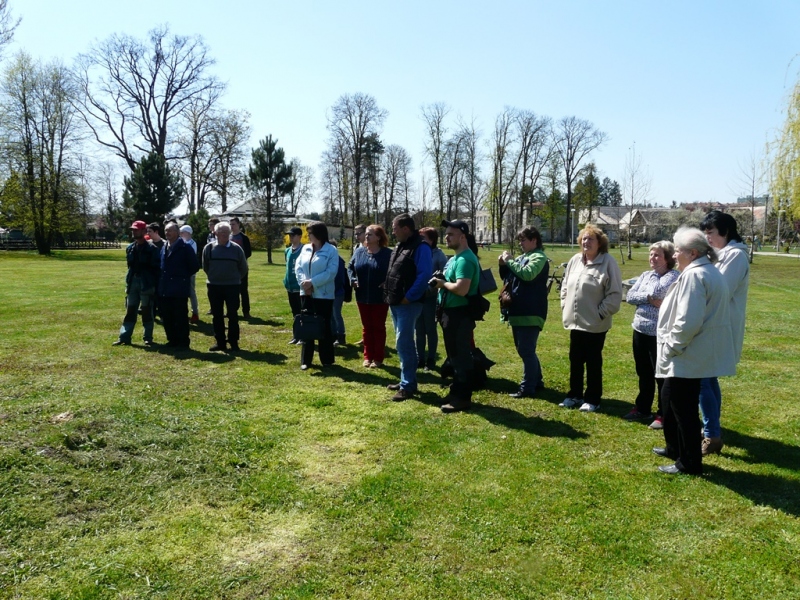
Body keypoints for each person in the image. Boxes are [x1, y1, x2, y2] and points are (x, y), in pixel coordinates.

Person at [653, 227, 736, 475]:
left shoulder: (695, 275)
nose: (675, 254)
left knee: (683, 409)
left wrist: (671, 347)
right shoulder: (706, 271)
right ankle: (676, 449)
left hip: (687, 354)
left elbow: (687, 321)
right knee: (670, 399)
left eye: (678, 250)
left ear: (693, 252)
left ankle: (689, 463)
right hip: (691, 353)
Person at [698, 210, 750, 455]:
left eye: (711, 233)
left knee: (703, 377)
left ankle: (711, 434)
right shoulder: (723, 254)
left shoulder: (735, 256)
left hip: (719, 324)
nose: (707, 238)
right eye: (705, 233)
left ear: (726, 232)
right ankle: (712, 429)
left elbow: (719, 290)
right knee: (708, 377)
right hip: (714, 322)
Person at [559, 224, 622, 412]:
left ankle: (593, 399)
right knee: (575, 360)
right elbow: (565, 286)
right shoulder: (575, 260)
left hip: (595, 324)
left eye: (590, 239)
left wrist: (600, 314)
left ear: (599, 243)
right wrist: (565, 306)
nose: (586, 242)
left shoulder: (608, 262)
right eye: (584, 239)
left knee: (593, 362)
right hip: (575, 322)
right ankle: (574, 395)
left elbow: (615, 294)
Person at [624, 241, 680, 427]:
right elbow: (630, 295)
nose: (652, 258)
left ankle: (663, 413)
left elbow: (659, 291)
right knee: (643, 372)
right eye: (651, 254)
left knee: (661, 376)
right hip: (639, 330)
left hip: (659, 334)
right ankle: (642, 408)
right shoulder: (646, 275)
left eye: (657, 255)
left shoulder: (673, 276)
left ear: (668, 258)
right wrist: (648, 298)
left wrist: (647, 294)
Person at [430, 220, 480, 412]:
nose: (446, 237)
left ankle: (463, 397)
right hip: (449, 313)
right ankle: (456, 391)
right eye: (446, 233)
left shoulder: (466, 259)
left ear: (463, 236)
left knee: (461, 356)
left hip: (460, 314)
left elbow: (461, 289)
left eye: (451, 234)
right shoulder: (455, 258)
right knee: (454, 355)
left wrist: (442, 284)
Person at [383, 214, 433, 401]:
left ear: (405, 228)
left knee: (404, 342)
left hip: (408, 303)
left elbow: (424, 275)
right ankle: (406, 379)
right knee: (402, 343)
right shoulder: (401, 245)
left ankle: (408, 385)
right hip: (396, 302)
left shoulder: (421, 247)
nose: (393, 231)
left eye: (395, 228)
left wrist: (408, 297)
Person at [498, 226, 550, 399]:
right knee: (523, 350)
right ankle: (537, 380)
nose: (520, 243)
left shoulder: (539, 257)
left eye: (523, 240)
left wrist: (510, 261)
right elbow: (509, 279)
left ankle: (527, 387)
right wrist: (503, 265)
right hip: (518, 309)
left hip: (532, 310)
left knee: (526, 350)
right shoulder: (523, 257)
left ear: (534, 240)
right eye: (519, 240)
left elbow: (527, 275)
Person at [295, 221, 339, 370]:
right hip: (306, 293)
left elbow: (331, 272)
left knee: (324, 326)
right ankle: (306, 360)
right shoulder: (305, 248)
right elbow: (298, 267)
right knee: (307, 324)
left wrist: (312, 283)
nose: (308, 236)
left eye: (310, 233)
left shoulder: (331, 250)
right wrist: (304, 284)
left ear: (319, 234)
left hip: (324, 295)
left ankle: (327, 360)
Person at [348, 224, 392, 368]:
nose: (366, 236)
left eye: (370, 234)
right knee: (367, 327)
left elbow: (394, 273)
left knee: (378, 327)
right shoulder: (359, 252)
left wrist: (387, 283)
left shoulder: (387, 254)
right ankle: (368, 356)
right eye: (366, 234)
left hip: (379, 297)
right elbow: (350, 268)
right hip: (362, 296)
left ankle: (378, 358)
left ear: (379, 237)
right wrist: (352, 280)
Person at [113, 220, 162, 346]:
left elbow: (157, 269)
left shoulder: (152, 249)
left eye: (136, 229)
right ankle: (124, 337)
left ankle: (148, 337)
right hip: (133, 282)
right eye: (133, 230)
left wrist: (153, 285)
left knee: (147, 311)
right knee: (130, 310)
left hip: (146, 283)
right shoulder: (130, 248)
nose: (134, 232)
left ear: (144, 231)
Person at [202, 221, 248, 352]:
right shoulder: (209, 248)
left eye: (226, 232)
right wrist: (215, 276)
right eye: (221, 233)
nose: (224, 235)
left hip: (232, 287)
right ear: (215, 233)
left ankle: (233, 342)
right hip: (214, 286)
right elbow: (205, 266)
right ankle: (220, 342)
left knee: (233, 315)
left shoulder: (236, 249)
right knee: (217, 315)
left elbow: (243, 268)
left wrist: (234, 278)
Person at [159, 222, 200, 349]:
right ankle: (172, 340)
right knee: (167, 316)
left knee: (180, 316)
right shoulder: (164, 247)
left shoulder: (185, 248)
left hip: (179, 288)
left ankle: (183, 342)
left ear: (177, 232)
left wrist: (181, 277)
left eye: (170, 230)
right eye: (166, 231)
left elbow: (194, 266)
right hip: (165, 288)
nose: (167, 233)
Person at [415, 227, 448, 372]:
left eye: (424, 238)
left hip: (430, 298)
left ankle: (431, 359)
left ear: (432, 240)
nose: (421, 240)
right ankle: (420, 358)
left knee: (430, 329)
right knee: (419, 329)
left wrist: (432, 288)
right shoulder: (417, 251)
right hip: (417, 297)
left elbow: (444, 275)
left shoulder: (439, 255)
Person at [284, 227, 304, 344]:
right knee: (294, 312)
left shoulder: (304, 249)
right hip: (290, 286)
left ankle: (303, 336)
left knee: (302, 312)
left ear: (299, 236)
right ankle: (296, 335)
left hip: (299, 286)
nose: (291, 237)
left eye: (293, 235)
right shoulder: (287, 250)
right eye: (290, 235)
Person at [229, 217, 252, 319]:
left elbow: (248, 253)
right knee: (231, 291)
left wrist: (240, 260)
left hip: (242, 268)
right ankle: (232, 311)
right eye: (230, 224)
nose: (232, 226)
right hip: (231, 269)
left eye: (233, 224)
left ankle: (246, 312)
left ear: (238, 224)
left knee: (243, 291)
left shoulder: (244, 238)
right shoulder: (228, 237)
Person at [179, 225, 200, 323]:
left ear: (188, 233)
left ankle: (195, 313)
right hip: (180, 272)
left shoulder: (192, 243)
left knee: (191, 293)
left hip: (189, 272)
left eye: (182, 232)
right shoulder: (181, 242)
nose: (181, 234)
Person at [331, 255, 350, 346]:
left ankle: (341, 336)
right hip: (332, 292)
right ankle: (334, 335)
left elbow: (338, 279)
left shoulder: (337, 260)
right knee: (331, 315)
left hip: (337, 293)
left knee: (336, 315)